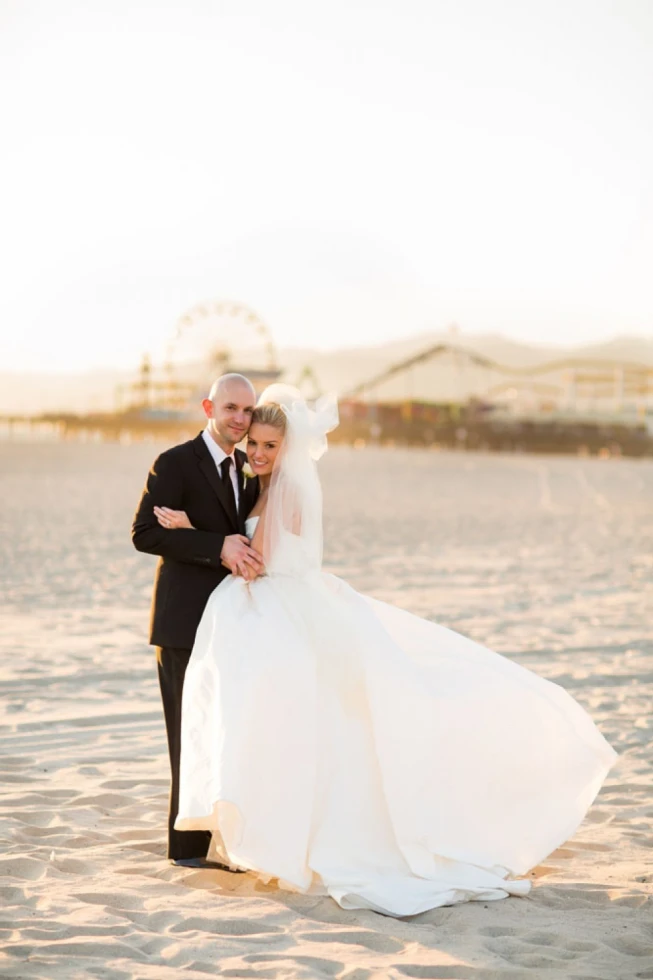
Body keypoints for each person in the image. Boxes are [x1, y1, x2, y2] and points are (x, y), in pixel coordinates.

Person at [156, 383, 617, 916]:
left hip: (278, 607)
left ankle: (298, 835)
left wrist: (197, 531)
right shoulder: (257, 482)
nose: (256, 453)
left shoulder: (286, 490)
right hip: (278, 609)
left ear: (288, 447)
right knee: (288, 727)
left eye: (268, 446)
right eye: (253, 443)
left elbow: (254, 558)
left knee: (304, 726)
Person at [131, 373, 261, 868]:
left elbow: (246, 536)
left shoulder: (249, 467)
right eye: (230, 407)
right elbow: (144, 533)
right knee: (187, 741)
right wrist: (214, 545)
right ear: (209, 407)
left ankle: (225, 844)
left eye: (247, 411)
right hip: (184, 625)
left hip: (232, 624)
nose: (239, 419)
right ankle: (184, 856)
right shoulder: (175, 463)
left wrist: (206, 533)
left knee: (224, 737)